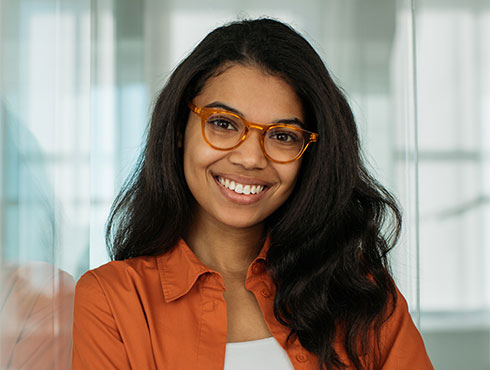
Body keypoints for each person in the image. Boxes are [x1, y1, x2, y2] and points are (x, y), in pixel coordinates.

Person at [72, 18, 433, 370]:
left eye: (282, 136)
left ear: (310, 155)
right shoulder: (111, 300)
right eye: (223, 124)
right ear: (181, 130)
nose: (250, 158)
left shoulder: (363, 295)